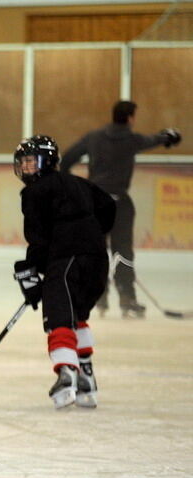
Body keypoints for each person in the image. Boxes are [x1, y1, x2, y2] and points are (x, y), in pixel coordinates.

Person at [13, 136, 116, 410]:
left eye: (31, 162)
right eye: (23, 163)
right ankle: (86, 379)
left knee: (59, 316)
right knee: (77, 316)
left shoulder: (34, 193)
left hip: (67, 260)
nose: (27, 169)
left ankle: (66, 373)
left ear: (47, 162)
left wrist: (32, 270)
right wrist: (90, 235)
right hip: (97, 261)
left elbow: (38, 239)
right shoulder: (78, 183)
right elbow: (108, 207)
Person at [60, 101, 182, 318]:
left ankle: (98, 296)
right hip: (119, 205)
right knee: (122, 251)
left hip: (94, 203)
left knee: (94, 251)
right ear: (130, 118)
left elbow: (67, 159)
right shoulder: (131, 139)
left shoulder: (94, 137)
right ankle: (127, 298)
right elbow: (153, 140)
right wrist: (168, 136)